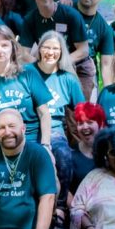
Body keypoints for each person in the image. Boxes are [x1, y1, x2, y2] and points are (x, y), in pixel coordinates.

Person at [0, 25, 52, 146]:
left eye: (4, 45)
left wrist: (45, 145)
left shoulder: (28, 73)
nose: (0, 50)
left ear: (12, 48)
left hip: (31, 141)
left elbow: (44, 113)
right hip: (2, 143)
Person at [30, 32, 85, 180]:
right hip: (29, 127)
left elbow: (82, 111)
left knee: (64, 156)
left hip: (55, 130)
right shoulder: (27, 72)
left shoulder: (68, 79)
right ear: (39, 49)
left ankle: (61, 201)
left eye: (55, 49)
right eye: (46, 48)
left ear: (61, 53)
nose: (50, 52)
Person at [17, 0, 89, 63]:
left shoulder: (71, 15)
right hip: (47, 65)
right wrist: (40, 65)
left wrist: (60, 64)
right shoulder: (29, 19)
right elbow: (24, 53)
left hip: (77, 65)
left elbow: (84, 50)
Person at [72, 0, 115, 99]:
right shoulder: (66, 13)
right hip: (60, 70)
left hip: (87, 75)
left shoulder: (104, 28)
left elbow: (106, 64)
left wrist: (107, 94)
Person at [67, 102, 106, 196]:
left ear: (101, 124)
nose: (85, 127)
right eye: (80, 123)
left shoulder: (110, 151)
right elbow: (66, 189)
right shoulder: (71, 154)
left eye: (89, 122)